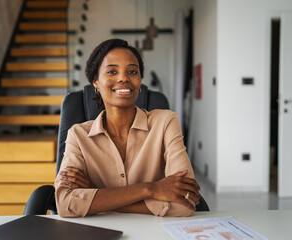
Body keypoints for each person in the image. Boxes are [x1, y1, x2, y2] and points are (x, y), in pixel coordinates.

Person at [55, 39, 200, 217]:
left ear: (139, 81)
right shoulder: (77, 135)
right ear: (95, 82)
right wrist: (150, 189)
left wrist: (95, 192)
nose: (123, 78)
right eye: (112, 71)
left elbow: (186, 203)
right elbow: (65, 204)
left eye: (132, 71)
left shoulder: (165, 122)